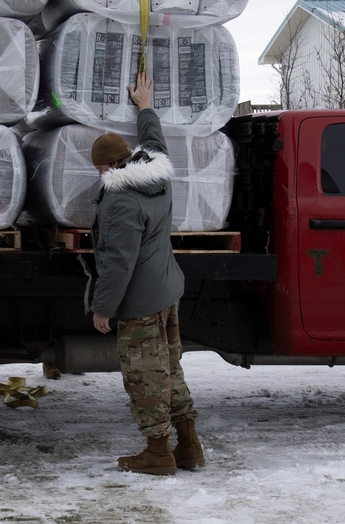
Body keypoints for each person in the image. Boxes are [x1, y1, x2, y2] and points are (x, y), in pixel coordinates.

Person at [87, 71, 203, 476]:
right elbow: (154, 140)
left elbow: (118, 261)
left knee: (145, 375)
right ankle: (188, 445)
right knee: (169, 365)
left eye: (100, 168)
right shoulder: (156, 171)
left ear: (109, 166)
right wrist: (145, 106)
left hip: (140, 300)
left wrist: (103, 308)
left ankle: (158, 452)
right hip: (167, 290)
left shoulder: (119, 201)